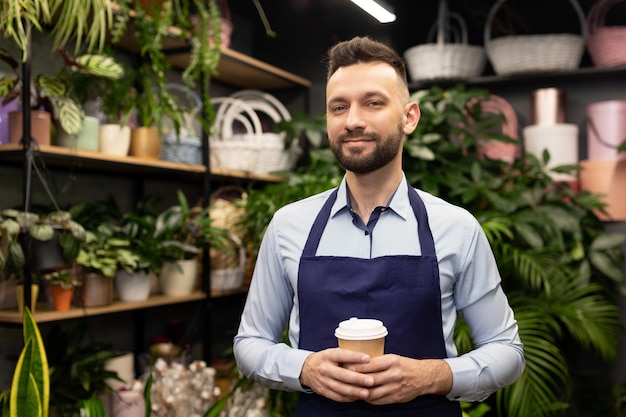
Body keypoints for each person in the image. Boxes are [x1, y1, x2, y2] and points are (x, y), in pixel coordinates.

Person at [233, 36, 524, 416]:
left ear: (409, 117)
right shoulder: (289, 226)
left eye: (373, 103)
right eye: (339, 107)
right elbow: (249, 343)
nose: (353, 120)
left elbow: (507, 351)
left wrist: (432, 376)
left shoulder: (456, 228)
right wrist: (304, 368)